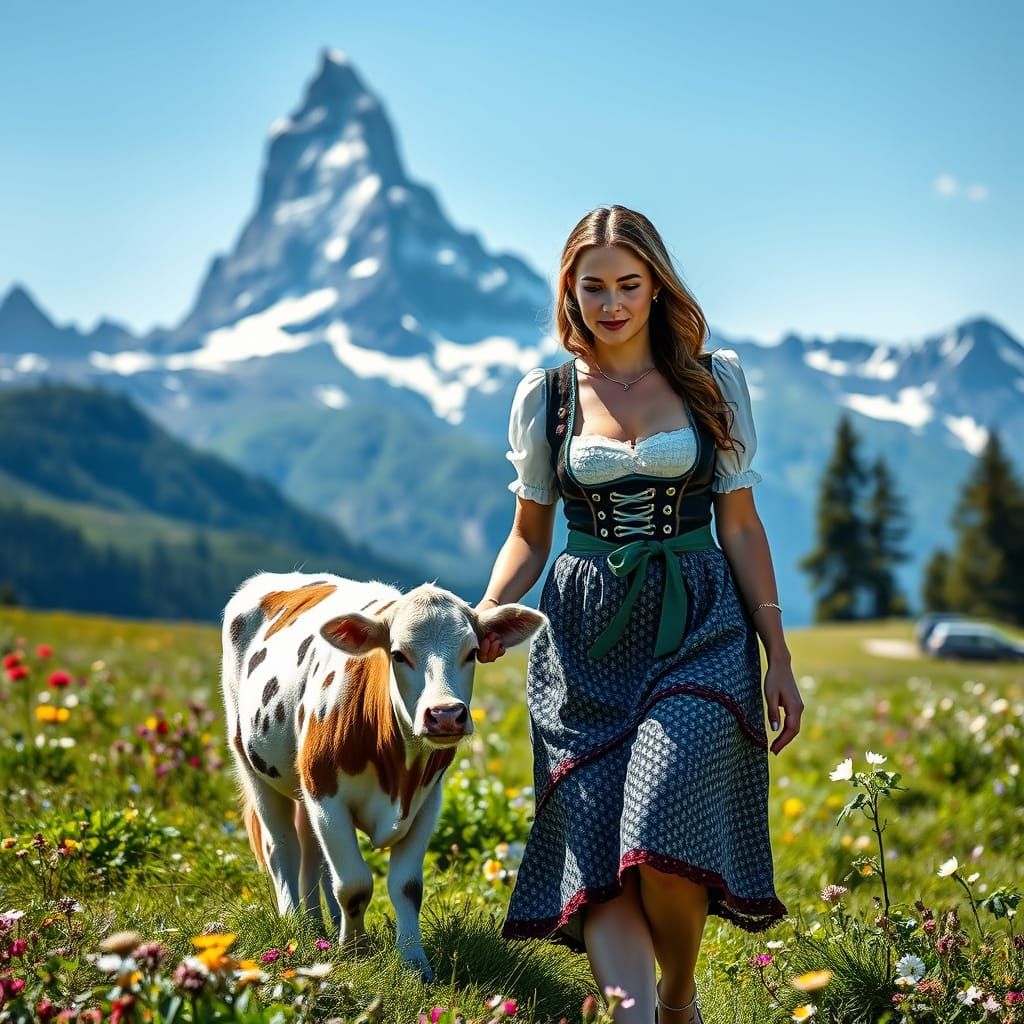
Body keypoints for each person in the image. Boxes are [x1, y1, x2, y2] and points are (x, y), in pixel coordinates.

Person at [473, 206, 803, 1024]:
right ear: (570, 293)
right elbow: (528, 536)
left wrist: (781, 654)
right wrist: (486, 610)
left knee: (663, 816)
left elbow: (741, 524)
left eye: (629, 284)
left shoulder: (708, 378)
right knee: (597, 844)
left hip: (699, 622)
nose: (612, 303)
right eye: (594, 287)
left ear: (657, 285)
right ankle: (638, 1016)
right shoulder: (546, 398)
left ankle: (680, 995)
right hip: (581, 634)